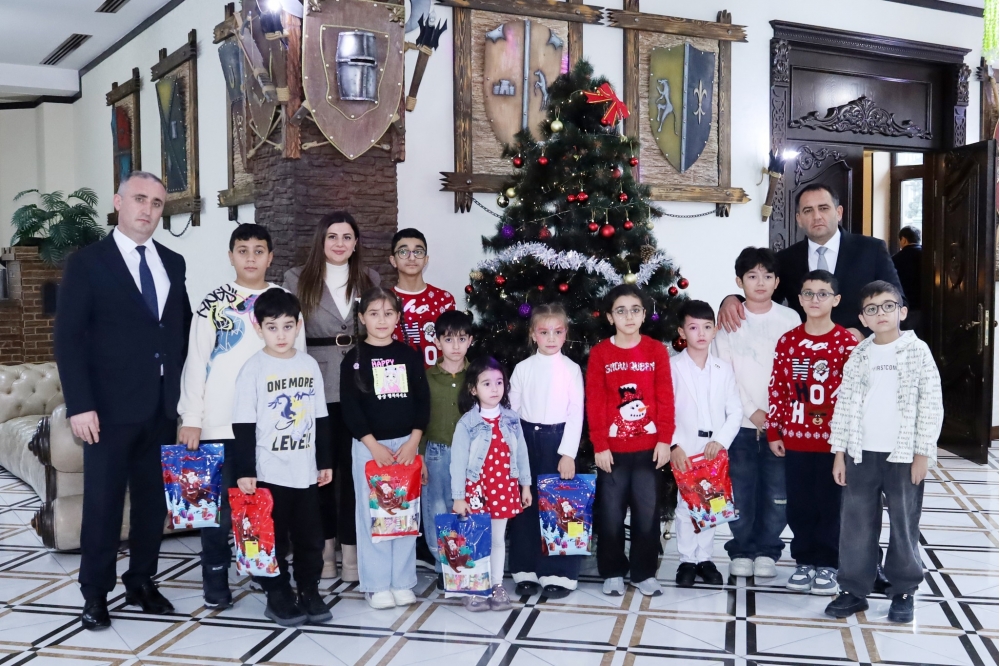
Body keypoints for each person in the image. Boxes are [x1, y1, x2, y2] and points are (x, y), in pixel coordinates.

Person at [54, 171, 192, 630]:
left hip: (162, 407)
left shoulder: (173, 262)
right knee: (104, 504)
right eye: (139, 199)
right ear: (118, 202)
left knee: (153, 504)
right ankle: (95, 594)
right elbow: (69, 339)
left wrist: (188, 400)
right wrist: (79, 405)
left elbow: (180, 331)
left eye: (156, 203)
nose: (147, 210)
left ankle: (142, 581)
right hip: (107, 411)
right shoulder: (87, 262)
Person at [177, 224, 306, 609]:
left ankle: (268, 576)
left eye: (259, 250)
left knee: (264, 505)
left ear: (270, 256)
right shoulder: (213, 302)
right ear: (231, 255)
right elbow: (196, 361)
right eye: (243, 250)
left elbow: (298, 363)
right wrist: (191, 417)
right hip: (217, 422)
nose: (251, 258)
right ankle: (215, 574)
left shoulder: (284, 300)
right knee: (215, 509)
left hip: (270, 427)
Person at [825, 281, 942, 623]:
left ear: (902, 311)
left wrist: (922, 454)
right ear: (863, 318)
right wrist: (839, 452)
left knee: (904, 523)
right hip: (861, 453)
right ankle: (853, 588)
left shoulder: (917, 351)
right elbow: (845, 404)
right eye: (872, 309)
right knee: (856, 524)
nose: (881, 314)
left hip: (903, 455)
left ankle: (903, 588)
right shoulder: (859, 354)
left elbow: (931, 404)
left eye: (888, 306)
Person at [285, 212, 381, 581]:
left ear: (356, 243)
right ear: (321, 241)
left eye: (347, 237)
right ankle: (325, 552)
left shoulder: (370, 278)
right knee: (322, 474)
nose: (339, 243)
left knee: (356, 474)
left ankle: (352, 553)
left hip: (360, 384)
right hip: (316, 384)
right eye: (332, 236)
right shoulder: (297, 278)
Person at [232, 289, 333, 627]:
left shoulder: (308, 365)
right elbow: (243, 424)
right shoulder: (253, 369)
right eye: (272, 327)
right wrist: (245, 469)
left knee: (309, 538)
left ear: (298, 326)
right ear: (258, 327)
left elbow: (321, 417)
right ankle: (277, 592)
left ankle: (309, 590)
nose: (280, 335)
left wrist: (324, 461)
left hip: (304, 470)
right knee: (271, 538)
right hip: (269, 472)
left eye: (288, 326)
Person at [339, 287, 430, 610]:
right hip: (370, 449)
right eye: (374, 314)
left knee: (403, 515)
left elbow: (422, 401)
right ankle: (377, 585)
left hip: (405, 447)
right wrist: (372, 445)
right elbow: (350, 408)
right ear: (362, 318)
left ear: (398, 318)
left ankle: (402, 582)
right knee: (373, 516)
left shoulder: (409, 355)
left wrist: (414, 441)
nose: (381, 320)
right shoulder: (353, 359)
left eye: (388, 313)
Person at [767, 270, 857, 596]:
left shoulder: (846, 343)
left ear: (836, 299)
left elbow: (853, 396)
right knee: (800, 504)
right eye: (808, 293)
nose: (814, 299)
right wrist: (774, 430)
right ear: (800, 299)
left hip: (833, 444)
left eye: (822, 293)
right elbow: (778, 388)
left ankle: (829, 563)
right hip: (796, 440)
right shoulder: (788, 341)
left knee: (831, 505)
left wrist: (846, 443)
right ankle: (804, 560)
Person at [718, 184, 903, 341]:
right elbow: (765, 299)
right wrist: (732, 300)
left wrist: (862, 332)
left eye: (823, 208)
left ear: (838, 212)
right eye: (808, 210)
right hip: (805, 355)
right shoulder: (786, 259)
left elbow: (899, 301)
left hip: (860, 349)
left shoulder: (871, 249)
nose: (817, 216)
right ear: (799, 219)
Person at [713, 248, 800, 580]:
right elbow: (726, 374)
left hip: (781, 424)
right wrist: (753, 413)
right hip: (740, 424)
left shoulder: (790, 320)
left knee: (777, 492)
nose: (760, 282)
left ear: (777, 282)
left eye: (767, 276)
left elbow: (794, 373)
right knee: (742, 490)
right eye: (752, 276)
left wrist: (775, 416)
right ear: (739, 282)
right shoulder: (730, 320)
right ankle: (742, 549)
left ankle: (768, 549)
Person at [585, 284, 675, 598]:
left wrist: (665, 440)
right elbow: (595, 402)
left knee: (647, 514)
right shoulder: (601, 353)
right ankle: (612, 571)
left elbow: (665, 397)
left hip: (650, 451)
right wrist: (599, 444)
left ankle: (643, 572)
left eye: (635, 310)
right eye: (620, 311)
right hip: (613, 453)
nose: (628, 316)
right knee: (610, 514)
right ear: (610, 317)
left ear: (644, 314)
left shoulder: (656, 350)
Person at [508, 303, 585, 598]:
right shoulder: (523, 368)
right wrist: (513, 449)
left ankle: (559, 572)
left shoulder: (571, 370)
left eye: (557, 331)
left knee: (560, 506)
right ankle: (525, 569)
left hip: (558, 441)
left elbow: (576, 413)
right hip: (526, 439)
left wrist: (568, 453)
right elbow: (512, 412)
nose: (551, 338)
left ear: (565, 334)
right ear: (533, 334)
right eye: (544, 332)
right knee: (525, 505)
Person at [669, 300, 742, 588]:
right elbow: (664, 410)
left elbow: (735, 411)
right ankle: (687, 559)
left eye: (707, 327)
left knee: (712, 501)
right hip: (684, 446)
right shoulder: (672, 367)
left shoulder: (723, 369)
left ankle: (705, 558)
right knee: (686, 503)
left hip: (713, 447)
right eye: (693, 327)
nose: (701, 333)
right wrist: (673, 445)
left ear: (714, 331)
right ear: (682, 332)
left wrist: (721, 440)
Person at [451, 356, 532, 611]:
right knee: (475, 540)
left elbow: (521, 454)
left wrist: (525, 485)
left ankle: (496, 585)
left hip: (503, 488)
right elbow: (457, 462)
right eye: (486, 383)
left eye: (499, 382)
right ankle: (474, 588)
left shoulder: (511, 419)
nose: (495, 388)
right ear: (473, 389)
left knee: (497, 540)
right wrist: (459, 497)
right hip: (475, 491)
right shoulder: (467, 423)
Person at [420, 309, 474, 589]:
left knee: (468, 507)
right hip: (437, 453)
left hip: (472, 455)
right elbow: (418, 419)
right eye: (449, 339)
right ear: (437, 342)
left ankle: (468, 564)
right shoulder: (426, 377)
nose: (455, 346)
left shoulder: (477, 376)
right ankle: (444, 566)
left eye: (462, 339)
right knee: (438, 509)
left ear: (470, 341)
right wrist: (420, 458)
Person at [389, 228, 456, 367]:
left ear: (426, 260)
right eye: (403, 252)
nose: (411, 258)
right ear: (393, 260)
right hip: (397, 377)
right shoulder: (384, 301)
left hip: (437, 377)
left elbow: (454, 345)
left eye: (418, 252)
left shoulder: (444, 300)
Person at [892, 226, 922, 333]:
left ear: (904, 240)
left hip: (905, 305)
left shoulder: (895, 259)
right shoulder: (928, 257)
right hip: (926, 306)